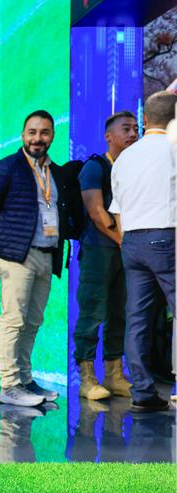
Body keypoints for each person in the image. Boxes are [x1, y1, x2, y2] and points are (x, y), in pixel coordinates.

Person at [0, 110, 81, 407]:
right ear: (23, 135)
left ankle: (24, 379)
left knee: (33, 321)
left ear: (52, 136)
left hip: (46, 255)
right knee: (14, 320)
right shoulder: (4, 168)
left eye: (45, 132)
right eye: (32, 132)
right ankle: (9, 385)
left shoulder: (55, 172)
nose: (38, 138)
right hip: (16, 257)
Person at [109, 91, 177, 413]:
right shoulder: (173, 149)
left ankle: (143, 392)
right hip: (167, 238)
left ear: (145, 120)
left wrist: (129, 241)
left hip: (132, 242)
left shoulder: (125, 157)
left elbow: (117, 208)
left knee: (136, 321)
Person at [74, 111, 138, 401]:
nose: (133, 134)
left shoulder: (134, 168)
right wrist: (123, 241)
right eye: (126, 128)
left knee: (119, 313)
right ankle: (87, 378)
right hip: (100, 251)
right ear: (108, 136)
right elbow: (97, 213)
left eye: (136, 128)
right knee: (92, 313)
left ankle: (114, 375)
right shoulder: (95, 167)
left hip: (126, 251)